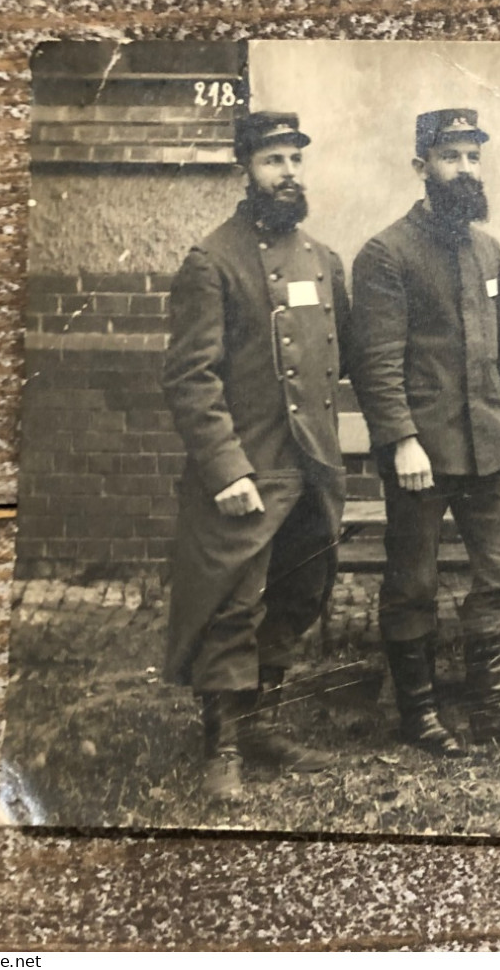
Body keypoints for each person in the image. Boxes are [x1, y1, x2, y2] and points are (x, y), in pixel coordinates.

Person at [347, 108, 500, 755]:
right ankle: (420, 715)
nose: (464, 169)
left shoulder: (487, 249)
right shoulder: (386, 254)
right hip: (423, 450)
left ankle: (493, 709)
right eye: (451, 157)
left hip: (490, 441)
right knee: (413, 583)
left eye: (473, 156)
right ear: (422, 166)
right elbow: (376, 361)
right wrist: (402, 439)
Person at [162, 111, 350, 802]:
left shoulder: (323, 260)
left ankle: (263, 724)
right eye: (273, 160)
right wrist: (227, 468)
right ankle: (222, 748)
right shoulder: (212, 262)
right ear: (246, 167)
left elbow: (339, 360)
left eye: (296, 159)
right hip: (249, 472)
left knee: (298, 596)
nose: (288, 173)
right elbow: (190, 377)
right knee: (234, 605)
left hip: (310, 472)